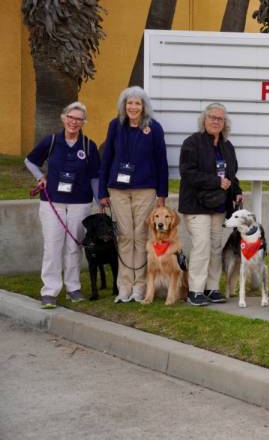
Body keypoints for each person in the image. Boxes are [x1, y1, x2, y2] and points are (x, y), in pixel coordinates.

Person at [25, 102, 101, 308]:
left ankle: (73, 288)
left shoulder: (88, 145)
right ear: (63, 118)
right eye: (70, 117)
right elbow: (30, 160)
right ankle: (50, 291)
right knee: (52, 247)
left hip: (80, 203)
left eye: (78, 119)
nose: (74, 122)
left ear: (83, 122)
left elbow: (95, 177)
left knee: (73, 247)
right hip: (52, 204)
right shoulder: (51, 142)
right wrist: (40, 177)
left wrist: (99, 199)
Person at [99, 87, 168, 303]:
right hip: (118, 190)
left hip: (145, 189)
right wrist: (102, 191)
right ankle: (124, 287)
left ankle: (140, 287)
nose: (133, 107)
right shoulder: (115, 126)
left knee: (141, 237)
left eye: (137, 103)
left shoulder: (153, 128)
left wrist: (162, 194)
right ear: (124, 105)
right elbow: (107, 158)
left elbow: (161, 162)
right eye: (129, 103)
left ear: (144, 106)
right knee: (125, 236)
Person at [178, 103, 242, 306]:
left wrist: (237, 191)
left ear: (225, 123)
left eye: (220, 118)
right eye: (212, 117)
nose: (215, 121)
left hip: (219, 206)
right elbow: (187, 173)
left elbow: (231, 175)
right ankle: (195, 290)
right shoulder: (192, 143)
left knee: (215, 247)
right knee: (202, 246)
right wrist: (216, 181)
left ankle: (212, 288)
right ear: (204, 120)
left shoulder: (227, 147)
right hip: (196, 205)